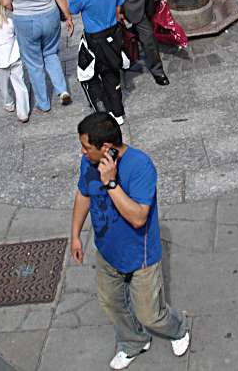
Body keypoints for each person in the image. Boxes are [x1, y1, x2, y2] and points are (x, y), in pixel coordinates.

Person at [70, 112, 189, 369]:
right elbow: (83, 195)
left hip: (140, 255)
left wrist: (111, 183)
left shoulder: (140, 166)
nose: (82, 152)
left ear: (106, 148)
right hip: (106, 251)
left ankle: (179, 328)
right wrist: (75, 235)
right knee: (111, 303)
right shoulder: (88, 164)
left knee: (150, 314)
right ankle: (134, 342)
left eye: (86, 147)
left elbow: (138, 218)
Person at [0, 0, 74, 112]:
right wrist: (68, 16)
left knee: (33, 62)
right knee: (51, 53)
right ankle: (62, 90)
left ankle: (43, 102)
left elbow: (6, 2)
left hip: (25, 20)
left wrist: (17, 8)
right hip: (49, 16)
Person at [69, 0, 128, 125]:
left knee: (90, 75)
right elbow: (119, 3)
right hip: (113, 34)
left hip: (95, 39)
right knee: (111, 73)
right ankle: (118, 112)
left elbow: (72, 8)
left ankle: (103, 110)